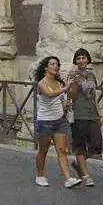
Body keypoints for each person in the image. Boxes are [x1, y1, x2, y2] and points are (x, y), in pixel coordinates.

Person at [31, 55, 82, 188]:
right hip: (45, 122)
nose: (56, 66)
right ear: (46, 68)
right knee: (43, 149)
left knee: (62, 150)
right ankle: (40, 175)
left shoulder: (60, 83)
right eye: (52, 64)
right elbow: (49, 94)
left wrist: (72, 86)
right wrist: (65, 88)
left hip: (60, 120)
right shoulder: (42, 83)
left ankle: (68, 179)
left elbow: (68, 97)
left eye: (57, 64)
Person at [66, 48, 100, 186]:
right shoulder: (72, 75)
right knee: (80, 146)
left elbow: (93, 96)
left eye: (83, 58)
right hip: (79, 114)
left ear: (88, 59)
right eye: (78, 58)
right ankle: (86, 176)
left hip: (92, 114)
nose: (81, 61)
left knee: (97, 145)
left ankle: (77, 162)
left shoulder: (91, 76)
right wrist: (72, 84)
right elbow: (71, 96)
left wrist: (99, 114)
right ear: (76, 61)